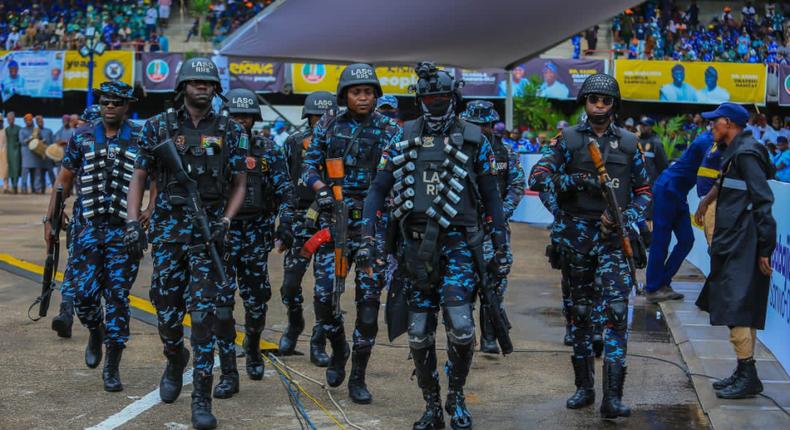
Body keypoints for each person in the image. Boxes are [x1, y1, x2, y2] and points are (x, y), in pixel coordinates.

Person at [361, 62, 511, 430]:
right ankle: (430, 405)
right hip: (415, 249)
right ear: (420, 98)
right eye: (429, 96)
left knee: (461, 327)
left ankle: (455, 397)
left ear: (453, 97)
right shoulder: (402, 137)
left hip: (461, 245)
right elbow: (378, 189)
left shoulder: (474, 139)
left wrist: (501, 245)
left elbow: (492, 197)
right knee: (418, 332)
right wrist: (368, 238)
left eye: (442, 96)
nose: (436, 102)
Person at [126, 57, 247, 430]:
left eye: (208, 82)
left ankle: (201, 400)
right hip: (167, 232)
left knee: (206, 317)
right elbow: (141, 174)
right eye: (195, 81)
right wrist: (133, 221)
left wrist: (226, 220)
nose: (203, 87)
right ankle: (175, 357)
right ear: (182, 87)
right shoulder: (157, 127)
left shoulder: (231, 129)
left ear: (215, 88)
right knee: (165, 310)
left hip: (208, 232)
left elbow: (240, 182)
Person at [529, 73, 651, 418]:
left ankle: (612, 397)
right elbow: (538, 178)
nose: (599, 106)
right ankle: (584, 387)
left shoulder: (628, 143)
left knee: (614, 312)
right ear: (585, 102)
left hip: (614, 240)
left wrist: (625, 215)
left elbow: (644, 192)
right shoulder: (567, 139)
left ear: (614, 105)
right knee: (580, 315)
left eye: (606, 100)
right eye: (593, 99)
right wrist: (578, 182)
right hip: (577, 238)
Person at [302, 63, 402, 404]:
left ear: (376, 95)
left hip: (374, 225)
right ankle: (339, 348)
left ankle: (358, 375)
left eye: (368, 91)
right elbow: (309, 166)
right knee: (324, 298)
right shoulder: (329, 124)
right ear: (345, 94)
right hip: (335, 220)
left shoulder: (391, 130)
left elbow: (402, 173)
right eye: (357, 91)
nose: (363, 97)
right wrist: (322, 190)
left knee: (369, 305)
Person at [45, 81, 150, 392]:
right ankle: (95, 331)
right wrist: (50, 219)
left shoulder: (142, 139)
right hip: (88, 228)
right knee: (86, 297)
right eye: (105, 102)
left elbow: (157, 178)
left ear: (127, 106)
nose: (109, 107)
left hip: (124, 231)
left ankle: (112, 367)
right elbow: (63, 180)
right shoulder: (82, 137)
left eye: (116, 102)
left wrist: (152, 210)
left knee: (117, 297)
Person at [215, 88, 296, 395]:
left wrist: (285, 224)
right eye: (235, 115)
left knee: (256, 302)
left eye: (245, 116)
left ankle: (252, 348)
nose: (240, 121)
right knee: (220, 306)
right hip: (222, 236)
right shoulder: (214, 148)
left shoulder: (267, 149)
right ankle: (228, 371)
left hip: (255, 235)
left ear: (254, 118)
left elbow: (285, 191)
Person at [695, 102, 776, 400]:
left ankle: (748, 373)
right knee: (735, 304)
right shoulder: (734, 153)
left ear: (728, 123)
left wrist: (765, 247)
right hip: (734, 239)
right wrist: (706, 202)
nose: (710, 126)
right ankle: (744, 371)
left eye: (714, 122)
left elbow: (763, 200)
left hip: (745, 241)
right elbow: (724, 181)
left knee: (737, 304)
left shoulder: (746, 153)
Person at [460, 100, 525, 354]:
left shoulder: (506, 152)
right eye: (474, 125)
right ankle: (465, 339)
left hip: (494, 230)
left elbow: (516, 186)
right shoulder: (456, 150)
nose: (480, 129)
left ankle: (489, 338)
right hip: (465, 228)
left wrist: (498, 215)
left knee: (494, 283)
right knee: (464, 285)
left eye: (484, 125)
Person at [278, 91, 337, 366]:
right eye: (317, 115)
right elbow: (286, 184)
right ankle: (294, 324)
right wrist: (285, 221)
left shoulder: (342, 143)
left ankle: (318, 340)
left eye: (327, 115)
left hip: (330, 221)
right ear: (308, 116)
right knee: (290, 285)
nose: (322, 120)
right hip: (301, 220)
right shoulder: (293, 143)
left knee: (326, 290)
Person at [645, 121, 724, 304]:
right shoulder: (706, 141)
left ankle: (663, 282)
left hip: (678, 192)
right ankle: (652, 288)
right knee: (661, 241)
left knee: (687, 240)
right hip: (667, 189)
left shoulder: (712, 140)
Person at [19, 113, 48, 194]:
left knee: (36, 174)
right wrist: (30, 138)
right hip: (26, 155)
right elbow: (22, 142)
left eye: (30, 120)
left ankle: (36, 189)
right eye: (27, 120)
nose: (29, 122)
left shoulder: (36, 130)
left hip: (36, 155)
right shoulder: (22, 130)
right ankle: (24, 189)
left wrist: (43, 141)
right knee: (25, 173)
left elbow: (42, 138)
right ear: (25, 121)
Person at [637, 117, 668, 185]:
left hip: (651, 184)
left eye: (645, 125)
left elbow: (663, 165)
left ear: (650, 127)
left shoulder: (656, 143)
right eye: (641, 125)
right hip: (637, 182)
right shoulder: (636, 141)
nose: (642, 127)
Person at [35, 114, 55, 191]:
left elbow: (53, 143)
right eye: (39, 121)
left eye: (42, 121)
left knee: (51, 173)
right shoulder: (35, 132)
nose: (41, 123)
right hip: (40, 156)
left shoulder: (48, 131)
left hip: (48, 156)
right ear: (37, 123)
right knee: (41, 174)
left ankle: (55, 188)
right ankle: (42, 189)